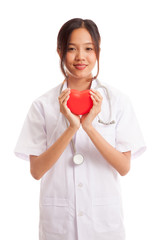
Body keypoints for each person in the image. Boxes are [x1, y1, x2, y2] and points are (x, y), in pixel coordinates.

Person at [14, 18, 146, 240]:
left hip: (104, 225)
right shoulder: (43, 105)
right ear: (59, 52)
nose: (80, 57)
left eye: (88, 49)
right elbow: (36, 171)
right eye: (72, 49)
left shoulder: (118, 101)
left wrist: (89, 128)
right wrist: (71, 128)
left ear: (97, 51)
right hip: (59, 226)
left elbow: (124, 167)